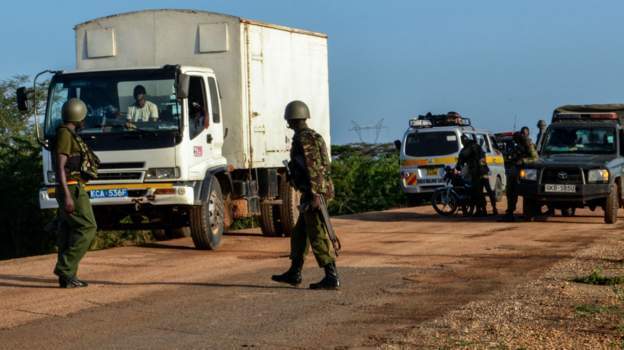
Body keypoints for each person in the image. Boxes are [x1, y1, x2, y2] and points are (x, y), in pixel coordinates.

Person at [271, 100, 339, 290]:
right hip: (314, 193)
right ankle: (295, 272)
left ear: (291, 120)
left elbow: (314, 168)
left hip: (314, 195)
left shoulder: (305, 138)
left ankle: (331, 276)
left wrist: (316, 194)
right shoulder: (312, 136)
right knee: (300, 234)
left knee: (317, 234)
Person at [52, 98, 98, 288]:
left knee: (68, 231)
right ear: (79, 116)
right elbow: (60, 167)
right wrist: (68, 195)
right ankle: (65, 267)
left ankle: (68, 277)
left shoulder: (69, 134)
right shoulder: (65, 135)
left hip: (72, 187)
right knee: (88, 227)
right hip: (71, 188)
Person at [501, 132, 539, 222]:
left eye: (516, 140)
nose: (515, 142)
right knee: (510, 191)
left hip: (527, 170)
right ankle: (510, 213)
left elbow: (536, 158)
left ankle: (529, 213)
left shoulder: (529, 144)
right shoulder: (517, 146)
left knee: (528, 193)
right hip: (515, 170)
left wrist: (523, 161)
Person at [455, 135, 487, 216]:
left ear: (464, 141)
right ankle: (487, 210)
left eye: (462, 141)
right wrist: (483, 169)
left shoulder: (467, 149)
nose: (462, 142)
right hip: (484, 171)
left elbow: (461, 158)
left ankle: (479, 211)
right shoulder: (478, 146)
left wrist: (458, 168)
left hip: (475, 172)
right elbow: (483, 158)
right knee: (483, 191)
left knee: (475, 192)